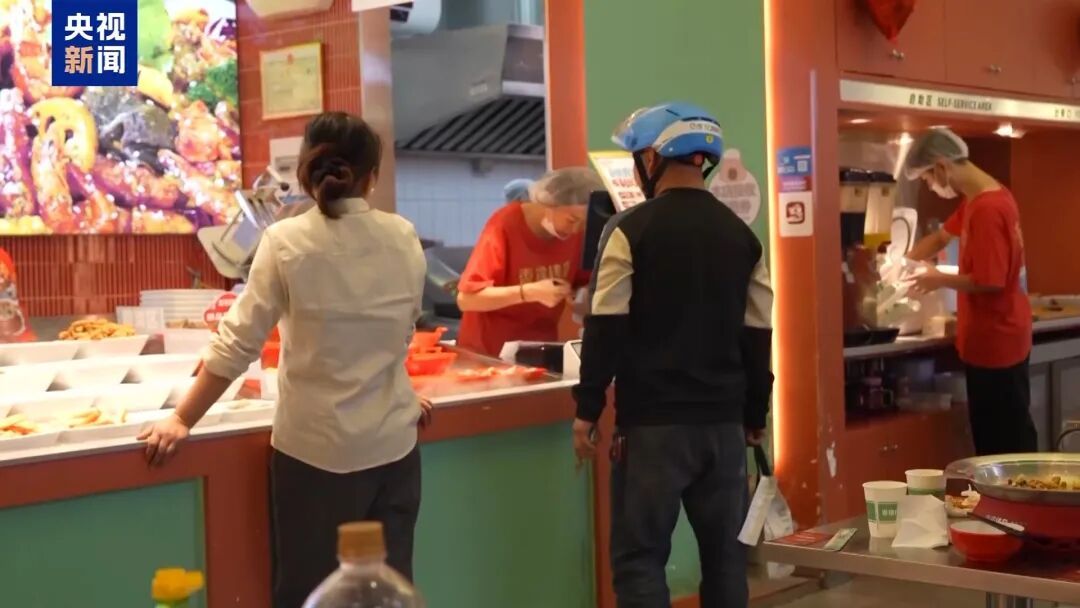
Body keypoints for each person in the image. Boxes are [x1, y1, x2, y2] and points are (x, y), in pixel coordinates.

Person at [138, 112, 433, 607]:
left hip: (315, 454)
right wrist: (398, 393)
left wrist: (181, 419)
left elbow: (237, 343)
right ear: (372, 176)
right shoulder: (403, 236)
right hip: (395, 449)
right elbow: (399, 332)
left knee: (310, 595)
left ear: (305, 171)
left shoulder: (286, 240)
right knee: (387, 594)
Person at [572, 102, 774, 608]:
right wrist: (756, 414)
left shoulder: (628, 230)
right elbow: (758, 333)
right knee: (726, 560)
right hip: (724, 429)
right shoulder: (743, 238)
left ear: (651, 158)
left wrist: (587, 410)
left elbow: (605, 326)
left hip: (652, 429)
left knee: (640, 560)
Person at [904, 128, 1036, 456]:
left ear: (941, 166)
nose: (930, 186)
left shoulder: (988, 209)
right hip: (996, 339)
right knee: (1004, 438)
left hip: (997, 345)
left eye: (927, 178)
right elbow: (941, 238)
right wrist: (903, 262)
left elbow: (990, 281)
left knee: (1003, 447)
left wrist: (938, 278)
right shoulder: (982, 198)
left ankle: (1016, 492)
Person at [455, 166, 603, 357]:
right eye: (572, 220)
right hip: (488, 352)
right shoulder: (505, 225)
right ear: (548, 203)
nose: (576, 230)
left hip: (538, 349)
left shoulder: (577, 234)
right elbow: (467, 300)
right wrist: (529, 292)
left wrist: (580, 295)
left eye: (584, 224)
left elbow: (583, 283)